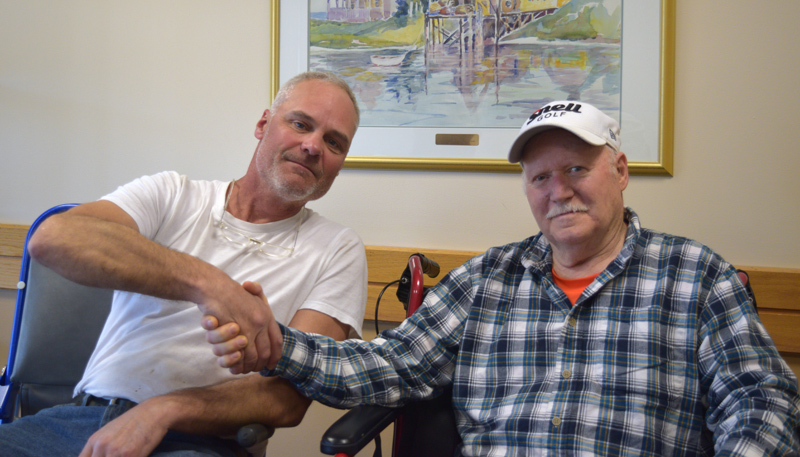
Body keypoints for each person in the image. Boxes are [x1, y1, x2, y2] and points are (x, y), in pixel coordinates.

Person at [208, 101, 800, 456]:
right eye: (539, 177)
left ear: (619, 172)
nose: (557, 190)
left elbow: (762, 401)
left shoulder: (695, 275)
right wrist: (280, 344)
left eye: (576, 168)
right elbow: (390, 365)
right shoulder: (488, 278)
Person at [0, 71, 368, 457]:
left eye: (333, 142)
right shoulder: (172, 194)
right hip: (75, 422)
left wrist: (164, 410)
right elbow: (53, 237)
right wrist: (208, 284)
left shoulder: (338, 249)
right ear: (263, 125)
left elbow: (287, 400)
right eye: (300, 124)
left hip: (202, 442)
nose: (312, 146)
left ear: (339, 164)